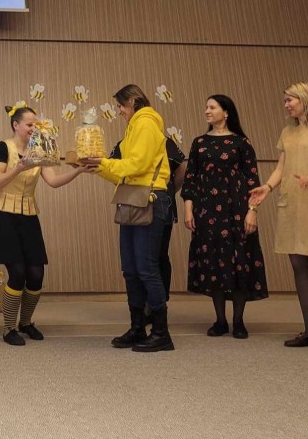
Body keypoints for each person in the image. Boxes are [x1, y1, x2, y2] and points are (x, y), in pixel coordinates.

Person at [0, 105, 92, 345]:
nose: (33, 128)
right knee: (18, 272)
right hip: (2, 215)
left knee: (36, 274)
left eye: (36, 124)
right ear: (16, 125)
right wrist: (19, 167)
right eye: (29, 124)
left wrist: (79, 171)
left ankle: (26, 322)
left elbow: (53, 181)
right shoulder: (4, 147)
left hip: (28, 215)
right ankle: (9, 327)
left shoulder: (40, 147)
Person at [249, 82, 308, 351]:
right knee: (298, 266)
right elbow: (282, 168)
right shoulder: (287, 132)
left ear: (304, 99)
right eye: (285, 101)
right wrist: (267, 188)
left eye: (290, 100)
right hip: (292, 204)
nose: (286, 105)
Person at [83, 84, 174, 352]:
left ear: (133, 101)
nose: (120, 111)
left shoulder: (146, 122)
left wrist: (103, 163)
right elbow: (124, 172)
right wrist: (97, 167)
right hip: (133, 197)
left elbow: (137, 165)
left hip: (151, 199)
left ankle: (161, 333)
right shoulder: (133, 127)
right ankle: (137, 328)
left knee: (146, 268)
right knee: (131, 270)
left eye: (121, 106)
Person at [182, 95, 268, 339]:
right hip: (207, 212)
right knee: (213, 263)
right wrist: (188, 209)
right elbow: (190, 179)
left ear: (226, 112)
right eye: (206, 107)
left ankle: (238, 321)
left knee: (238, 261)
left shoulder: (241, 142)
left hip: (237, 211)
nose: (207, 111)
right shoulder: (199, 142)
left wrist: (253, 211)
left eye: (212, 107)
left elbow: (253, 181)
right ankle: (220, 320)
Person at [110, 136, 185, 302]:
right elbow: (113, 171)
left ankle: (159, 303)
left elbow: (181, 170)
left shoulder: (163, 141)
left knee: (158, 256)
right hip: (133, 206)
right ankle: (141, 305)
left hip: (161, 205)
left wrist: (167, 191)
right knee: (133, 261)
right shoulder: (125, 143)